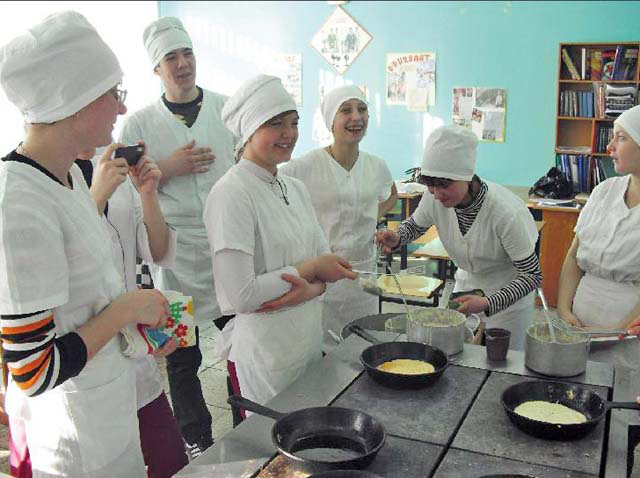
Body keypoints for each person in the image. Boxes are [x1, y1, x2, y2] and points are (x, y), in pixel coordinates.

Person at [0, 11, 168, 477]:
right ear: (75, 102)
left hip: (108, 409)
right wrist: (126, 310)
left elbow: (85, 300)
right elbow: (33, 371)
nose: (120, 108)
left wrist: (139, 330)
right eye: (114, 95)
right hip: (73, 438)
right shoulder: (17, 203)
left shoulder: (70, 175)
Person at [119, 16, 236, 457]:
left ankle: (247, 417)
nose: (183, 64)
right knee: (182, 354)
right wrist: (167, 167)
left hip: (227, 247)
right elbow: (122, 194)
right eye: (171, 57)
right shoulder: (138, 125)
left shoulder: (227, 109)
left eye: (187, 54)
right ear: (157, 69)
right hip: (175, 253)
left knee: (241, 339)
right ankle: (196, 437)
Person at [203, 75, 357, 407]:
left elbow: (323, 264)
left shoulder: (294, 188)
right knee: (274, 450)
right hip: (265, 354)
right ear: (249, 131)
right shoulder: (232, 194)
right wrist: (310, 271)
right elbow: (242, 295)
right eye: (275, 124)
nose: (289, 133)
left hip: (306, 340)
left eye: (293, 122)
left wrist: (312, 287)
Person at [376, 125, 541, 350]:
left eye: (444, 186)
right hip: (467, 285)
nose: (437, 194)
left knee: (501, 364)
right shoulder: (433, 196)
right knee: (458, 354)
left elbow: (532, 275)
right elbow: (415, 225)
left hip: (507, 297)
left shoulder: (505, 213)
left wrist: (488, 302)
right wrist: (397, 238)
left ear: (467, 177)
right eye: (431, 186)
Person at [78, 144, 187, 476]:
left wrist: (148, 193)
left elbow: (156, 248)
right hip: (82, 364)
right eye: (112, 95)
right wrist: (95, 198)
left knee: (170, 461)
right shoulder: (34, 180)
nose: (120, 109)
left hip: (134, 357)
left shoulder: (115, 169)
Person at [280, 85, 397, 349]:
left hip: (365, 277)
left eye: (362, 109)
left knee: (365, 345)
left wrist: (367, 217)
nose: (356, 117)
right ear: (330, 121)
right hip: (323, 277)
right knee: (322, 352)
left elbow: (390, 196)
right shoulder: (304, 167)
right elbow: (272, 192)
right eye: (346, 110)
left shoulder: (376, 165)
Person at [557, 105, 640, 369]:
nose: (610, 146)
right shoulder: (603, 191)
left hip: (628, 335)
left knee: (617, 399)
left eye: (622, 137)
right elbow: (574, 257)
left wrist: (617, 331)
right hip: (578, 324)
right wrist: (564, 310)